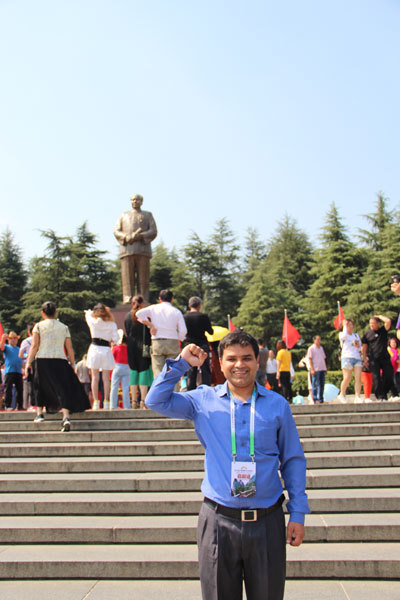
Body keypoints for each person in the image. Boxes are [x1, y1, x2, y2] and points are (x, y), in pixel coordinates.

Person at [145, 330, 309, 600]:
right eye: (231, 359)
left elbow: (292, 460)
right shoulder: (202, 400)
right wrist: (182, 362)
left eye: (247, 358)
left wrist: (298, 513)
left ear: (258, 361)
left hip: (267, 521)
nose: (240, 365)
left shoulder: (277, 405)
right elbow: (156, 400)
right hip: (218, 521)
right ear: (220, 363)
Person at [25, 301, 90, 431]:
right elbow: (69, 347)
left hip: (42, 358)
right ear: (56, 312)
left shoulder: (38, 326)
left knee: (40, 386)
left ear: (43, 313)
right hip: (60, 359)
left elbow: (34, 346)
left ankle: (39, 413)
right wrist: (72, 363)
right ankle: (65, 416)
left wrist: (28, 362)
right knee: (62, 387)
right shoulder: (64, 327)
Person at [114, 194, 158, 303]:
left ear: (141, 202)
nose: (135, 201)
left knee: (143, 278)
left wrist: (142, 236)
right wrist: (126, 237)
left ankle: (143, 298)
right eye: (133, 200)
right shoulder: (123, 215)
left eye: (137, 200)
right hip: (127, 250)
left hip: (143, 250)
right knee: (127, 277)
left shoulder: (148, 215)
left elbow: (153, 231)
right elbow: (116, 231)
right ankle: (128, 298)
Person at [136, 289, 187, 382]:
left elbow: (138, 314)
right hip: (172, 341)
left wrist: (150, 325)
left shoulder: (153, 308)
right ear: (172, 299)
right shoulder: (176, 311)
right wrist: (179, 338)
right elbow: (183, 330)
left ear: (159, 299)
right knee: (173, 370)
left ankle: (159, 394)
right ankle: (174, 393)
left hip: (157, 340)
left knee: (158, 372)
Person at [85, 304, 119, 410]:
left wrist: (89, 312)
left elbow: (88, 314)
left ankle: (95, 402)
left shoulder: (93, 321)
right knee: (106, 378)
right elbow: (116, 339)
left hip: (94, 348)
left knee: (95, 377)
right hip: (106, 349)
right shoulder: (111, 324)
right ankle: (106, 401)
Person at [124, 295, 153, 408]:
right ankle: (143, 401)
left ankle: (134, 401)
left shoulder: (127, 316)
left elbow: (127, 331)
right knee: (143, 373)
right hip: (143, 347)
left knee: (133, 372)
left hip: (131, 346)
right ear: (142, 304)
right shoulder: (144, 316)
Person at [182, 297, 213, 390]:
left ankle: (190, 389)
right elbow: (211, 332)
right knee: (205, 369)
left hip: (189, 344)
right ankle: (206, 389)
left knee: (191, 369)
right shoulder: (203, 316)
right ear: (199, 306)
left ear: (189, 306)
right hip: (202, 343)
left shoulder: (184, 317)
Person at [361, 315, 392, 401]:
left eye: (373, 323)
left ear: (378, 323)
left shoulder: (383, 330)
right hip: (373, 359)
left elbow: (388, 321)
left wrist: (378, 316)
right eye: (370, 323)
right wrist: (364, 358)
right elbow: (364, 347)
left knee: (388, 375)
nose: (371, 325)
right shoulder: (367, 333)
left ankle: (384, 393)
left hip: (385, 358)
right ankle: (379, 396)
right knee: (376, 378)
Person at [337, 319, 363, 403]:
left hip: (357, 357)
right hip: (347, 357)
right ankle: (342, 394)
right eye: (348, 325)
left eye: (351, 325)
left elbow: (360, 347)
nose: (350, 327)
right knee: (347, 377)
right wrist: (344, 325)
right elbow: (343, 336)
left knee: (358, 378)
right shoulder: (342, 334)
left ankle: (357, 396)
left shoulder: (356, 335)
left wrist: (358, 345)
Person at [0, 331, 23, 411]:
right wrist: (3, 339)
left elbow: (21, 359)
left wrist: (23, 368)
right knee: (8, 389)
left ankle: (20, 405)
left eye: (15, 338)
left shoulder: (19, 349)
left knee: (20, 389)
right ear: (8, 340)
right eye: (11, 338)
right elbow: (1, 347)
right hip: (9, 371)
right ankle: (8, 405)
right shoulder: (7, 347)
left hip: (18, 371)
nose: (13, 340)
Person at [110, 330, 131, 409]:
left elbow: (112, 358)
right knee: (125, 388)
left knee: (114, 387)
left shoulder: (116, 348)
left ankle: (113, 405)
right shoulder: (128, 349)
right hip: (126, 367)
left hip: (117, 367)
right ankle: (127, 406)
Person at [19, 323, 35, 410]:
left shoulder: (26, 341)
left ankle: (33, 404)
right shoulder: (41, 339)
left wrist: (27, 357)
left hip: (30, 363)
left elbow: (20, 355)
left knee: (32, 385)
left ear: (28, 332)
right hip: (41, 363)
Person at [306, 335, 327, 404]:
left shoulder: (321, 348)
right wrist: (312, 369)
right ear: (314, 340)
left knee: (322, 384)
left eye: (320, 339)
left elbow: (323, 358)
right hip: (315, 369)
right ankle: (315, 399)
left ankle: (321, 398)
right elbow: (310, 359)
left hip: (322, 368)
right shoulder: (311, 348)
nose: (319, 341)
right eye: (317, 339)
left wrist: (325, 368)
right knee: (315, 384)